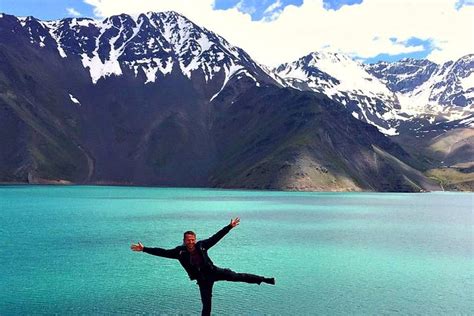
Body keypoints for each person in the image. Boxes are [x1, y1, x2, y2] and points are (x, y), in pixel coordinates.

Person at [131, 217, 275, 315]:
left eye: (193, 239)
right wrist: (144, 249)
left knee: (238, 276)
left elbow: (216, 237)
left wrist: (229, 227)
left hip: (214, 272)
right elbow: (162, 252)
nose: (191, 242)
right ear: (184, 240)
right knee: (206, 305)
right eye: (188, 240)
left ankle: (264, 279)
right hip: (203, 280)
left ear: (195, 239)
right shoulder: (179, 252)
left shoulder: (202, 246)